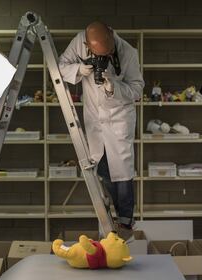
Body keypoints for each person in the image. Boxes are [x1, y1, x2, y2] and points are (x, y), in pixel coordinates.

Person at [59, 21, 144, 240]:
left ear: (112, 38)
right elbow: (60, 65)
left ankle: (126, 220)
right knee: (104, 167)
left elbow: (137, 89)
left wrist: (113, 86)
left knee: (123, 172)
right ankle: (114, 214)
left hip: (119, 117)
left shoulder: (128, 52)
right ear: (87, 44)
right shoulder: (79, 42)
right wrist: (80, 69)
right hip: (95, 118)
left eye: (107, 54)